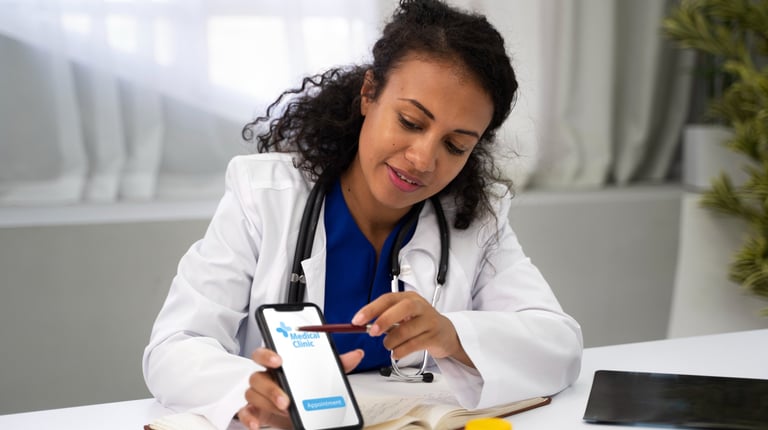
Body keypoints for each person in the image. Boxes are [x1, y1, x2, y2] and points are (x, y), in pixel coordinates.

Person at [142, 0, 583, 429]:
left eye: (455, 145)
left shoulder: (474, 219)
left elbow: (560, 346)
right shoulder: (265, 197)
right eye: (410, 122)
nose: (423, 159)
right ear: (369, 94)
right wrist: (251, 390)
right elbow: (174, 348)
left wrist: (452, 335)